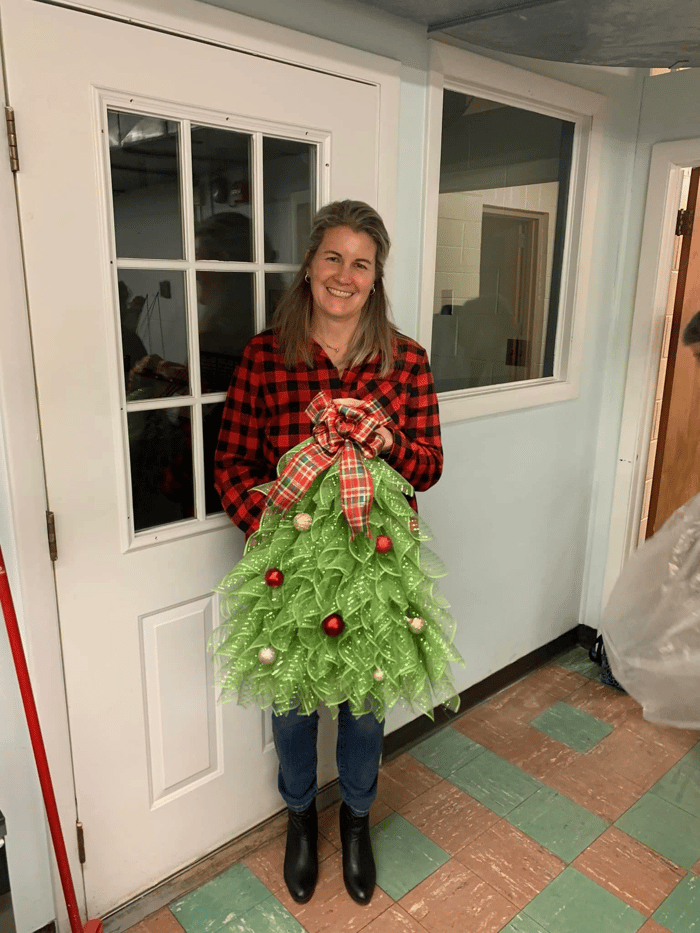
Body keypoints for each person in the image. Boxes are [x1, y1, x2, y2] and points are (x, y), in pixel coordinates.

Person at [214, 200, 446, 907]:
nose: (344, 275)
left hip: (375, 567)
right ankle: (299, 818)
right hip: (290, 573)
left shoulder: (404, 360)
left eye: (361, 263)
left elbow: (429, 465)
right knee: (291, 705)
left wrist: (392, 446)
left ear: (376, 278)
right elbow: (229, 466)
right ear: (310, 266)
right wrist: (282, 526)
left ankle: (355, 816)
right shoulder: (265, 355)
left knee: (365, 706)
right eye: (333, 258)